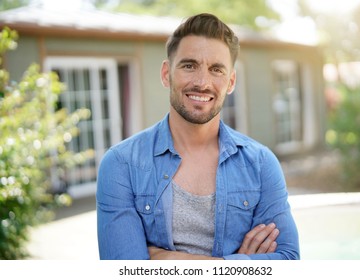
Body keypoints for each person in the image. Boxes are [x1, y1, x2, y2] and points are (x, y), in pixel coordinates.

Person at [96, 13, 299, 260]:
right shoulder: (121, 164)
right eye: (189, 65)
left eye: (216, 69)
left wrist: (170, 259)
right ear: (166, 74)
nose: (202, 82)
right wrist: (244, 265)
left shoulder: (260, 164)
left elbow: (288, 260)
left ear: (231, 81)